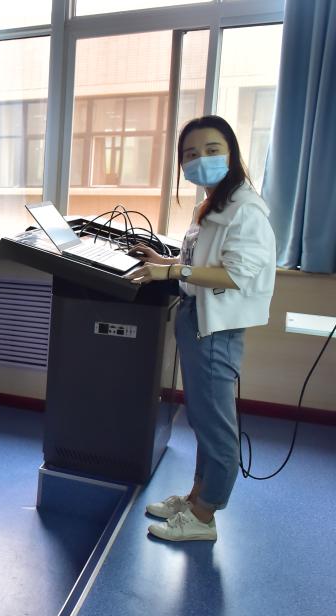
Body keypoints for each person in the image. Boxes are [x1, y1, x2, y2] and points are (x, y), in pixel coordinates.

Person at [126, 115, 276, 542]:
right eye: (190, 154)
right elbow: (200, 259)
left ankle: (205, 516)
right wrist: (165, 260)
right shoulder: (211, 205)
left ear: (231, 153)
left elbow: (236, 274)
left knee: (214, 425)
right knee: (201, 417)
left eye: (211, 150)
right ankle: (195, 498)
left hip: (217, 327)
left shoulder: (246, 210)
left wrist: (173, 270)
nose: (200, 160)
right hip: (196, 316)